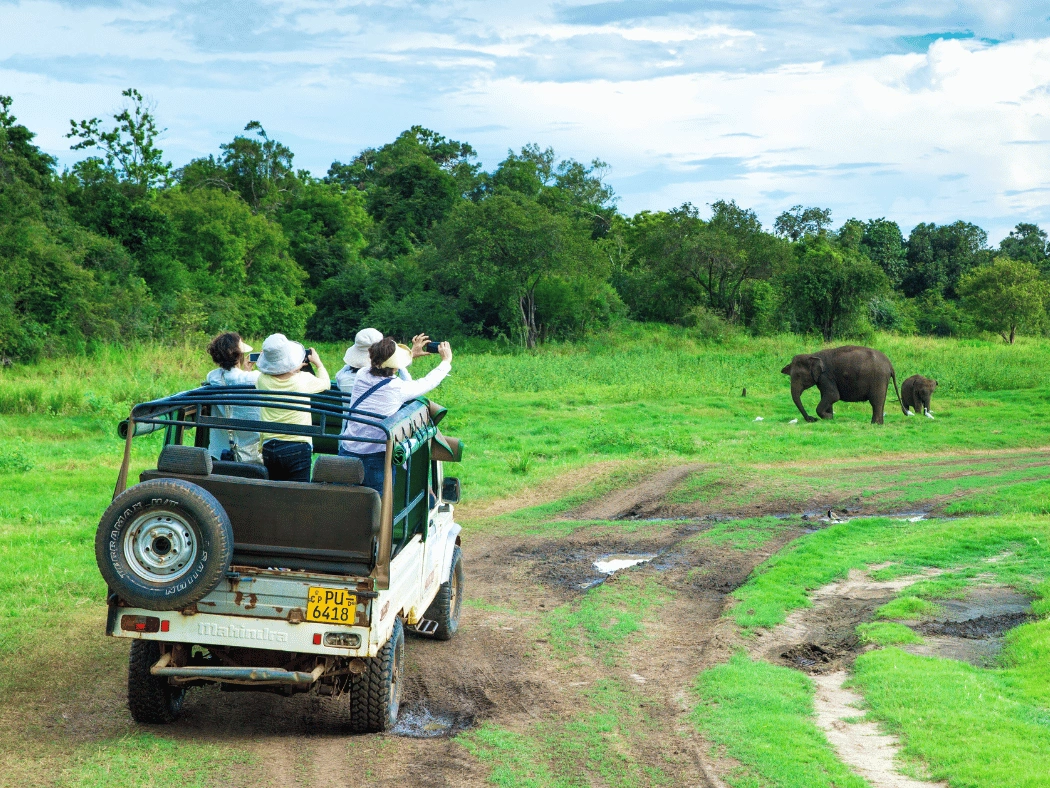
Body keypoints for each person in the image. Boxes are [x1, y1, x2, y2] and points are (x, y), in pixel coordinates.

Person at [339, 336, 452, 494]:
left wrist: (409, 356)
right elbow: (427, 382)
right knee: (377, 507)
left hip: (348, 449)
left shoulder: (361, 375)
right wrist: (445, 361)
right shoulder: (398, 388)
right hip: (376, 456)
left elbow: (382, 365)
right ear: (396, 365)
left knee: (344, 501)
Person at [254, 333, 330, 482]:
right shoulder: (303, 380)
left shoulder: (261, 380)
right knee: (299, 497)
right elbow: (325, 383)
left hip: (270, 447)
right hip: (298, 446)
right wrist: (318, 364)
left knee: (276, 493)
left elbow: (272, 373)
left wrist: (287, 366)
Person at [205, 332, 261, 463]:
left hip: (219, 453)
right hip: (250, 455)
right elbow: (246, 379)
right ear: (239, 355)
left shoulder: (213, 377)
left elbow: (231, 377)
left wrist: (245, 371)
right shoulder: (254, 378)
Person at [336, 329, 433, 393]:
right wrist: (405, 358)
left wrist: (409, 356)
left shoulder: (343, 377)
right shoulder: (388, 384)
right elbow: (410, 388)